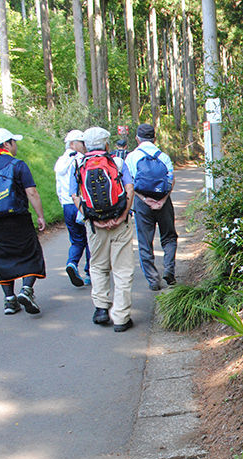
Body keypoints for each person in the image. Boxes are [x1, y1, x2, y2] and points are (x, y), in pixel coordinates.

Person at [70, 127, 136, 332]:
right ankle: (122, 317)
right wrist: (123, 215)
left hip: (95, 226)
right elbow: (130, 189)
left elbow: (75, 197)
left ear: (85, 145)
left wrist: (94, 220)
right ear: (107, 144)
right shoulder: (117, 162)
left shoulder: (79, 164)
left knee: (98, 266)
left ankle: (100, 309)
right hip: (120, 223)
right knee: (122, 269)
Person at [0, 127, 47, 315]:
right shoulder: (18, 165)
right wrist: (40, 215)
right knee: (31, 253)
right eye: (14, 142)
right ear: (7, 144)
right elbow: (31, 192)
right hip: (19, 219)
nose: (15, 146)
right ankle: (27, 290)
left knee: (1, 257)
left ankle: (9, 300)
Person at [125, 123, 176, 291]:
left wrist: (145, 199)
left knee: (145, 241)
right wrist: (162, 200)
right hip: (163, 201)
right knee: (168, 237)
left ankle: (153, 280)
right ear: (155, 138)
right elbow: (170, 181)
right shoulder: (164, 157)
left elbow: (130, 184)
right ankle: (169, 269)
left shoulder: (131, 157)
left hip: (142, 203)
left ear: (137, 139)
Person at [54, 129, 90, 287]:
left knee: (76, 240)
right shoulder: (82, 159)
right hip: (81, 204)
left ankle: (72, 263)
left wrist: (62, 202)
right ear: (73, 144)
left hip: (67, 205)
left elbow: (58, 187)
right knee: (90, 239)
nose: (84, 146)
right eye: (81, 142)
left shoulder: (60, 162)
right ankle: (90, 272)